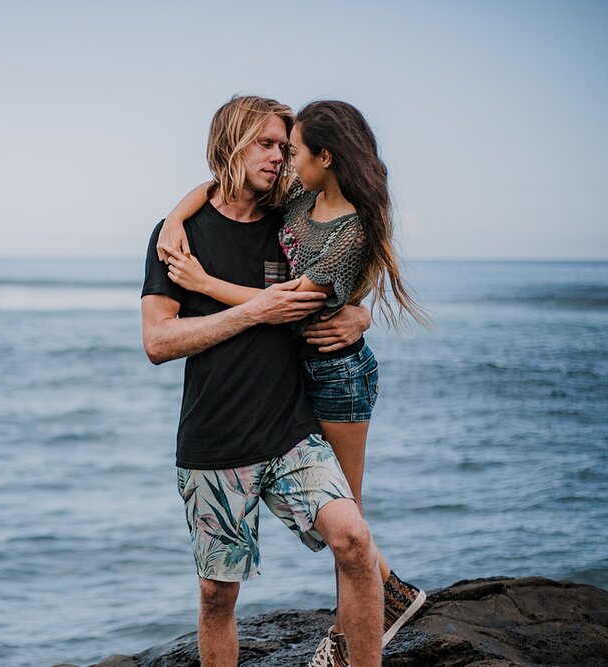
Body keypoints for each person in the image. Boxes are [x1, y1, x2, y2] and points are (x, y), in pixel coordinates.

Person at [154, 100, 428, 666]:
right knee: (216, 596)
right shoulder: (176, 238)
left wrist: (359, 312)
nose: (279, 158)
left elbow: (333, 266)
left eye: (285, 147)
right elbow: (158, 342)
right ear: (231, 145)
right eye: (266, 145)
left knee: (353, 541)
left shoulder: (290, 211)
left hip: (291, 429)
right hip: (215, 439)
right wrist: (178, 219)